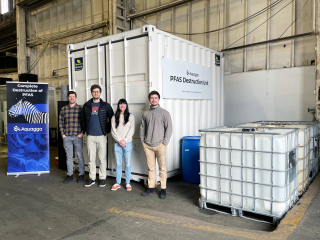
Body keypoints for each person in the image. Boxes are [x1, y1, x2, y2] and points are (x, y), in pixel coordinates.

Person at [140, 90, 173, 199]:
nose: (153, 99)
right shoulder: (145, 113)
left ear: (158, 99)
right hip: (148, 145)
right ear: (149, 99)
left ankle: (163, 189)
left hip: (160, 145)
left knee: (162, 168)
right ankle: (150, 187)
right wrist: (142, 141)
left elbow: (169, 128)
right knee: (151, 168)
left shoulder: (164, 113)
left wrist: (164, 143)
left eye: (156, 98)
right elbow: (142, 128)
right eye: (152, 98)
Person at [81, 84, 114, 187]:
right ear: (91, 93)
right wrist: (85, 130)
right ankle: (92, 178)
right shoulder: (86, 105)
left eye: (97, 91)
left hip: (102, 136)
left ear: (100, 93)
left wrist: (107, 131)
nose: (96, 93)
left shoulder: (105, 105)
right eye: (94, 91)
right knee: (91, 159)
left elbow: (112, 118)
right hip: (90, 136)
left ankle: (102, 178)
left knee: (102, 159)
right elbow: (82, 119)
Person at [59, 91, 85, 184]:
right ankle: (70, 175)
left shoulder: (80, 108)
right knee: (68, 157)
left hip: (78, 136)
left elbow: (84, 121)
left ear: (76, 98)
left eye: (73, 97)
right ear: (68, 98)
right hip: (67, 137)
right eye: (70, 97)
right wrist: (63, 134)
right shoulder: (63, 109)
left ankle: (81, 174)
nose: (72, 98)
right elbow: (61, 122)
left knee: (80, 156)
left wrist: (82, 132)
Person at [110, 99, 135, 191]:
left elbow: (131, 130)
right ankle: (118, 183)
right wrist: (119, 140)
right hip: (117, 144)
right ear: (118, 106)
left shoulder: (130, 116)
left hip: (127, 143)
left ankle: (128, 182)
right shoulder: (114, 117)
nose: (122, 105)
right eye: (120, 104)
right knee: (118, 164)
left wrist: (124, 140)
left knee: (128, 164)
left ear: (126, 105)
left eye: (124, 104)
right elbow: (113, 131)